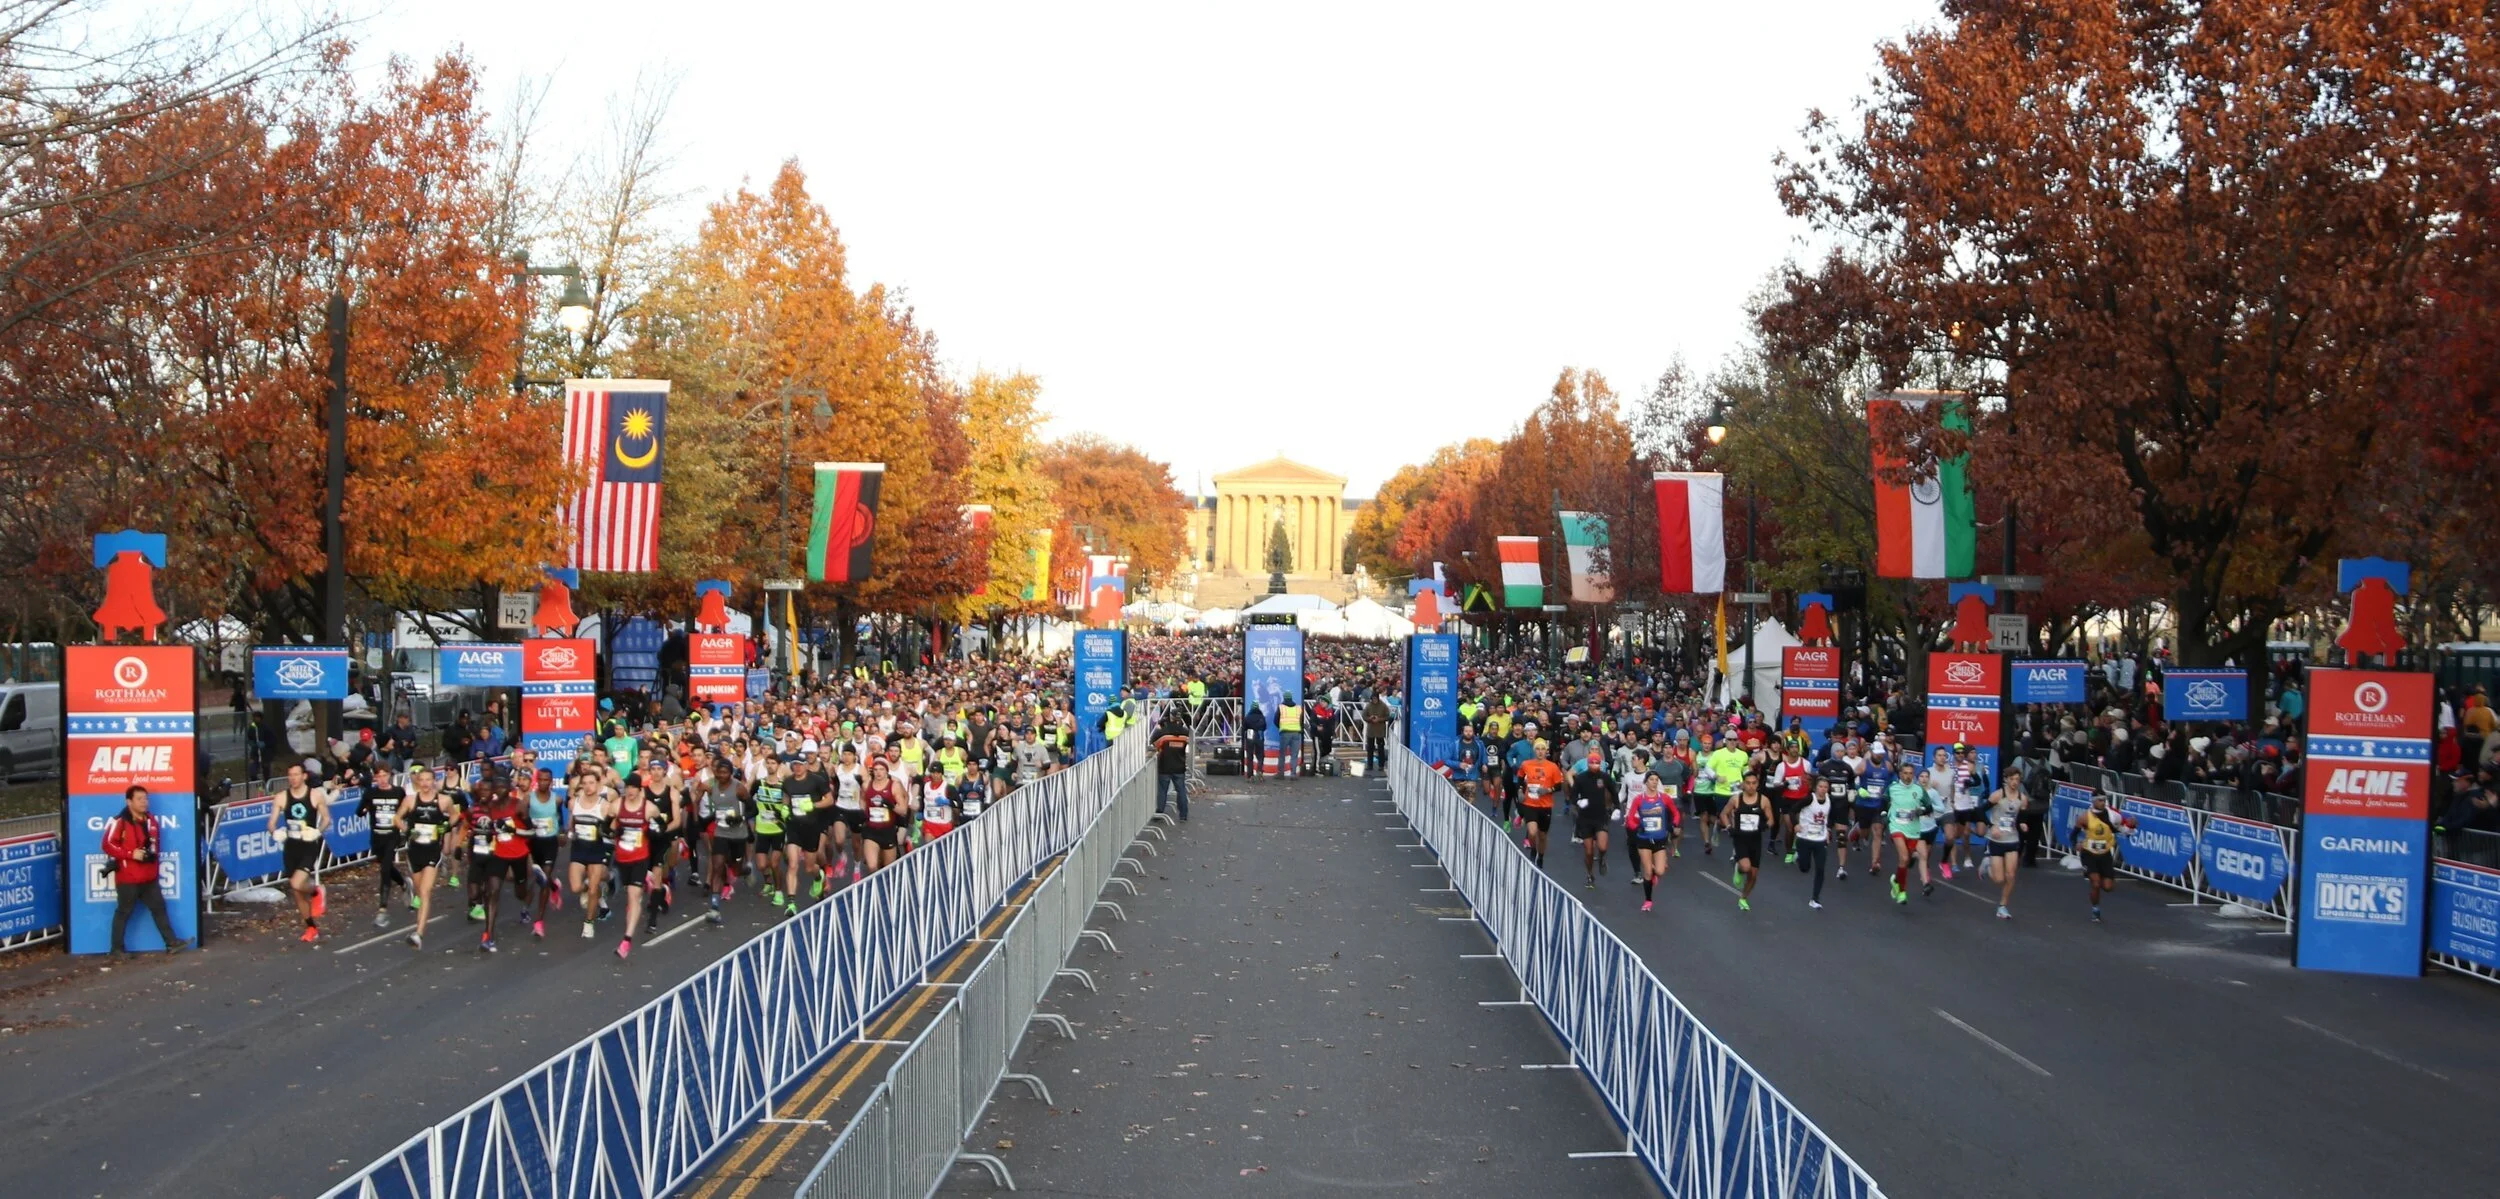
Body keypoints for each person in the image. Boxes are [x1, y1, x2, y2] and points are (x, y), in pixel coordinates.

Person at [101, 785, 188, 955]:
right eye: (139, 799)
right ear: (129, 802)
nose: (144, 802)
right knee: (124, 912)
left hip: (149, 876)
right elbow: (107, 844)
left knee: (159, 908)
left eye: (146, 798)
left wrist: (151, 857)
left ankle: (172, 943)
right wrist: (131, 854)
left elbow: (155, 846)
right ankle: (116, 949)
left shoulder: (151, 820)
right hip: (128, 877)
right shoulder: (119, 821)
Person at [267, 762, 330, 943]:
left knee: (297, 883)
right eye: (290, 775)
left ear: (304, 776)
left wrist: (318, 831)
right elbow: (271, 822)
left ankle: (317, 891)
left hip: (308, 845)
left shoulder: (315, 795)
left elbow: (327, 818)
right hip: (291, 847)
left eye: (296, 775)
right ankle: (311, 927)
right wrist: (275, 832)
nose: (293, 778)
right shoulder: (281, 797)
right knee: (297, 891)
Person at [399, 766, 457, 950]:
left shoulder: (443, 800)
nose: (424, 783)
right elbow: (397, 818)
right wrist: (407, 830)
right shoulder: (410, 800)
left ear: (434, 781)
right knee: (419, 890)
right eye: (421, 780)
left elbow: (455, 815)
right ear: (418, 781)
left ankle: (419, 933)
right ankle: (412, 890)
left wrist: (446, 827)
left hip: (432, 851)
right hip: (414, 851)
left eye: (428, 780)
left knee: (425, 891)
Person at [613, 779, 659, 958]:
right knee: (628, 895)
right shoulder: (617, 805)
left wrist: (650, 832)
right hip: (622, 858)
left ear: (640, 790)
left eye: (633, 787)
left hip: (640, 858)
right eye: (627, 787)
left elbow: (661, 828)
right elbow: (605, 828)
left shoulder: (649, 808)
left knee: (633, 897)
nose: (630, 791)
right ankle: (648, 879)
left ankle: (627, 940)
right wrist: (614, 832)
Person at [2072, 793, 2135, 922]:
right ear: (2094, 801)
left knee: (2108, 887)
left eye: (2104, 800)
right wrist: (2076, 844)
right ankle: (2095, 909)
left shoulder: (2113, 816)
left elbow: (2124, 830)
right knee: (2095, 884)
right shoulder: (2085, 817)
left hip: (2105, 854)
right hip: (2089, 854)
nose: (2102, 802)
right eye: (2100, 800)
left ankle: (2097, 879)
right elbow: (2073, 835)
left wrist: (2132, 825)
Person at [1624, 772, 1680, 912]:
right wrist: (1636, 827)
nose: (1654, 782)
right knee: (1647, 871)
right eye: (1651, 779)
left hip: (1659, 839)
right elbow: (1630, 819)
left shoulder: (1664, 798)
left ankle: (1654, 875)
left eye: (1656, 780)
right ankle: (1648, 900)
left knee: (1660, 871)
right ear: (1646, 782)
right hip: (1644, 839)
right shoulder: (1639, 799)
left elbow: (1676, 813)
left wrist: (1674, 824)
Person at [567, 779, 613, 939]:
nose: (588, 786)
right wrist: (569, 834)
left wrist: (606, 831)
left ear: (598, 785)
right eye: (585, 783)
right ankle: (587, 886)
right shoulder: (574, 803)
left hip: (596, 851)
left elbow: (612, 828)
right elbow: (571, 826)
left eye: (591, 783)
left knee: (594, 890)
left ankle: (588, 923)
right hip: (578, 850)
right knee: (575, 887)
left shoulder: (605, 806)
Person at [1721, 769, 1771, 911]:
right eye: (1748, 783)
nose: (1751, 786)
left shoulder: (1763, 800)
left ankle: (1743, 898)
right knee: (1746, 867)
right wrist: (1729, 827)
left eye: (1754, 783)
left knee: (1753, 875)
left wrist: (1765, 825)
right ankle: (1739, 867)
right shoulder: (1736, 799)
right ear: (1743, 784)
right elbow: (1724, 814)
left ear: (1758, 784)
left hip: (1755, 839)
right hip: (1740, 838)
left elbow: (1771, 819)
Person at [1885, 766, 1936, 905]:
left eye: (1911, 773)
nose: (1908, 776)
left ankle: (1896, 881)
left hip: (1913, 830)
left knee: (1906, 862)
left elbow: (1929, 807)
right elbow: (1884, 801)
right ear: (1900, 774)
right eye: (1905, 773)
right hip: (1896, 827)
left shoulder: (1919, 790)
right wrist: (1884, 814)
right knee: (1904, 857)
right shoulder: (1892, 788)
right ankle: (1902, 892)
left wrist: (1921, 811)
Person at [1513, 740, 1566, 867]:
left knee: (1542, 836)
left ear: (1546, 751)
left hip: (1545, 806)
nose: (1540, 752)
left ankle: (1540, 856)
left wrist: (1548, 790)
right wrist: (1520, 791)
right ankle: (1533, 849)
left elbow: (1559, 786)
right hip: (1530, 804)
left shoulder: (1552, 766)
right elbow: (1520, 778)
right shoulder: (1526, 764)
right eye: (1538, 749)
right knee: (1532, 832)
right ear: (1534, 750)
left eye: (1543, 749)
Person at [1983, 764, 2026, 919]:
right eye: (2012, 779)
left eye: (2017, 780)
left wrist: (2022, 824)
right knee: (1999, 879)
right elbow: (1980, 811)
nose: (2014, 782)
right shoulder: (1998, 795)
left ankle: (2003, 906)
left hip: (2012, 839)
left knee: (2011, 875)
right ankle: (1987, 865)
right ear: (2006, 780)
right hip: (1996, 840)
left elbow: (2022, 818)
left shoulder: (2022, 799)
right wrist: (1991, 826)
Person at [1571, 748, 1617, 889]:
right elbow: (1573, 796)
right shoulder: (1581, 778)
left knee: (1602, 846)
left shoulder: (1604, 777)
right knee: (1589, 851)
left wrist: (1617, 808)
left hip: (1600, 816)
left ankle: (1602, 858)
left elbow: (1614, 792)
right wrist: (1578, 802)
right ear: (1588, 763)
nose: (1595, 765)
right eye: (1592, 763)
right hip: (1585, 818)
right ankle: (1590, 875)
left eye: (1597, 763)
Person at [1796, 776, 1834, 909]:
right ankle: (1799, 856)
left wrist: (1828, 830)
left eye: (1825, 787)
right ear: (1815, 788)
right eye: (1820, 787)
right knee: (1804, 868)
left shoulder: (1829, 799)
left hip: (1820, 839)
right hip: (1805, 838)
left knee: (1820, 869)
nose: (1823, 789)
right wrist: (1796, 824)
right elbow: (1793, 809)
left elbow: (1829, 816)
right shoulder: (1809, 799)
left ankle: (1815, 899)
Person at [1152, 715, 1191, 821]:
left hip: (1164, 765)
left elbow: (1155, 744)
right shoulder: (1185, 733)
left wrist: (1158, 729)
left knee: (1162, 790)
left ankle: (1160, 812)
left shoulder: (1163, 733)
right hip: (1179, 765)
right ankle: (1183, 814)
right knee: (1181, 790)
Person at [1276, 693, 1304, 778]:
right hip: (1296, 733)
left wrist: (1281, 726)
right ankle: (1293, 774)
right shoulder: (1298, 708)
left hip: (1285, 733)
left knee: (1282, 754)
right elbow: (1302, 721)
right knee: (1294, 755)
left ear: (1284, 698)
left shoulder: (1281, 707)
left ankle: (1281, 774)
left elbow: (1275, 720)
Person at [1241, 700, 1268, 782]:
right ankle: (1259, 770)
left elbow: (1244, 727)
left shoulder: (1247, 717)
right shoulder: (1262, 717)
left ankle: (1250, 776)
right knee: (1260, 755)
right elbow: (1264, 727)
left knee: (1250, 756)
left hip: (1250, 736)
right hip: (1259, 736)